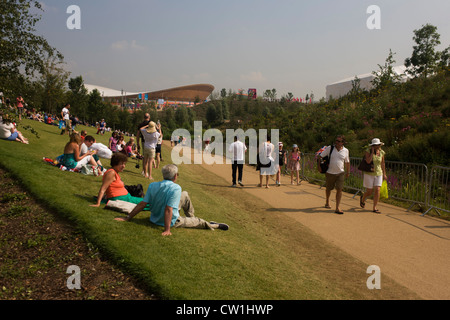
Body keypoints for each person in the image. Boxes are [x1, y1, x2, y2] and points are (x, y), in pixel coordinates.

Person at [114, 164, 229, 236]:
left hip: (155, 217)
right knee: (200, 222)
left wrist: (128, 217)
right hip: (170, 221)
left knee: (185, 194)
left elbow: (143, 203)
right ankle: (215, 225)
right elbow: (168, 209)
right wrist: (167, 229)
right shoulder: (175, 187)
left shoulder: (153, 185)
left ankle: (191, 216)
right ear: (175, 176)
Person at [320, 135, 350, 214]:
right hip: (330, 173)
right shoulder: (330, 148)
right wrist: (322, 165)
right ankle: (327, 201)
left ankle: (337, 207)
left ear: (342, 143)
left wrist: (348, 172)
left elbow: (347, 162)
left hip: (340, 173)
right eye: (336, 140)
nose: (336, 142)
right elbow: (321, 156)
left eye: (339, 141)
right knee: (328, 188)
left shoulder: (346, 151)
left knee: (339, 189)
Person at [360, 138, 387, 214]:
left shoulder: (382, 152)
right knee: (369, 191)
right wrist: (372, 152)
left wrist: (384, 173)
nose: (377, 146)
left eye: (378, 145)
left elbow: (382, 163)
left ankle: (374, 207)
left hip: (379, 173)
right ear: (372, 146)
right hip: (369, 173)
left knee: (377, 190)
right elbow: (368, 161)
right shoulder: (368, 151)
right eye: (375, 145)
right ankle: (363, 198)